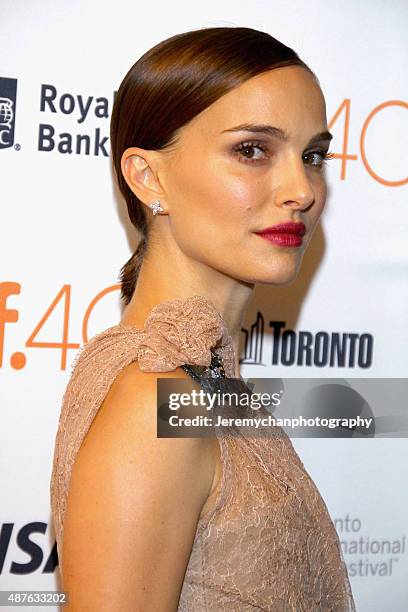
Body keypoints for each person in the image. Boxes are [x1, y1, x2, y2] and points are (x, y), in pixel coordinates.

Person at [50, 26, 356, 611]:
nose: (303, 189)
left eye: (313, 155)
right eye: (252, 150)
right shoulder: (154, 399)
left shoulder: (201, 380)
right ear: (149, 178)